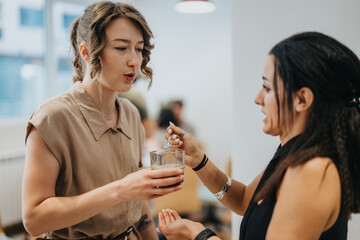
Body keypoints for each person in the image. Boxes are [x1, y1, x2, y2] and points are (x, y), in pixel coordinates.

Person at [157, 32, 360, 240]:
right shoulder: (292, 152)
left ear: (302, 99)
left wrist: (198, 234)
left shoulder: (312, 170)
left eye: (267, 87)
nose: (257, 98)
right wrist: (199, 161)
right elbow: (245, 200)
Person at [22, 2, 184, 240]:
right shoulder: (52, 117)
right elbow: (34, 220)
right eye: (121, 48)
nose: (134, 61)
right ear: (86, 52)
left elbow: (138, 207)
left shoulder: (130, 114)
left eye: (139, 49)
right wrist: (121, 190)